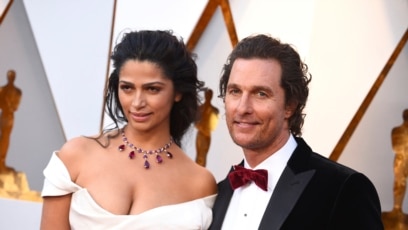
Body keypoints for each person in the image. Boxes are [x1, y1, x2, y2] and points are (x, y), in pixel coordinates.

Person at [40, 30, 217, 229]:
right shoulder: (76, 155)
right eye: (127, 88)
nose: (137, 102)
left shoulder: (199, 183)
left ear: (177, 92)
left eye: (152, 89)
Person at [209, 34, 384, 229]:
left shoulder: (344, 189)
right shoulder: (218, 194)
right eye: (235, 91)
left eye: (261, 94)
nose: (242, 108)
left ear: (290, 106)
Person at [0, 70, 22, 172]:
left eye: (12, 76)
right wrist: (6, 106)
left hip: (10, 116)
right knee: (4, 137)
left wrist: (11, 107)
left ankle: (2, 161)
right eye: (9, 76)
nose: (11, 78)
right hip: (4, 115)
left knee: (7, 138)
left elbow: (16, 105)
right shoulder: (2, 90)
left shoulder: (18, 92)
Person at [195, 88, 219, 166]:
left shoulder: (214, 110)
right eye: (207, 94)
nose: (208, 96)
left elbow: (213, 125)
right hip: (201, 134)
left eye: (209, 95)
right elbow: (196, 123)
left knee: (204, 154)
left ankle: (201, 172)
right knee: (200, 155)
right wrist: (202, 129)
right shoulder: (200, 109)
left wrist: (207, 130)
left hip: (207, 135)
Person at [390, 109, 408, 214]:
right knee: (399, 183)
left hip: (403, 159)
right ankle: (397, 208)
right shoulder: (396, 130)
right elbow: (395, 147)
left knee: (401, 183)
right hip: (401, 160)